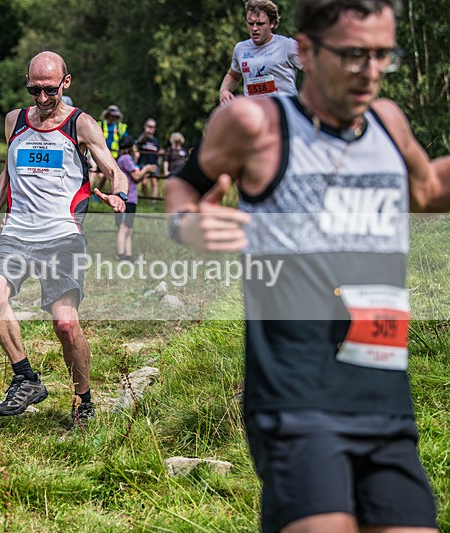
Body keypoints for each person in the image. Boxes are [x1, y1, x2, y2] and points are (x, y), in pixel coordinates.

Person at [167, 0, 446, 531]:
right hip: (296, 394)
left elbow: (427, 190)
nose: (370, 72)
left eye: (383, 55)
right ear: (309, 53)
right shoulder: (255, 123)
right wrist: (187, 223)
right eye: (353, 55)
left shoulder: (388, 122)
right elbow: (185, 184)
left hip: (384, 395)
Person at [0, 51, 129, 427]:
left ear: (66, 83)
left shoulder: (82, 124)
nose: (41, 99)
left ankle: (83, 400)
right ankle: (25, 378)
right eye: (34, 90)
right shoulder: (15, 121)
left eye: (49, 90)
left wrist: (116, 194)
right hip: (17, 232)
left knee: (64, 323)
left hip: (61, 236)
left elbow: (113, 169)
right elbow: (7, 171)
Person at [219, 0, 303, 105]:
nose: (254, 28)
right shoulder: (240, 49)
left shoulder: (287, 46)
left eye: (260, 24)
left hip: (284, 113)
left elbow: (314, 70)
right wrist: (224, 90)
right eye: (250, 23)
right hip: (254, 115)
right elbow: (233, 75)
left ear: (272, 23)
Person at [115, 134, 157, 262]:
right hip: (128, 198)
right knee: (124, 228)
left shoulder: (120, 159)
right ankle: (121, 255)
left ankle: (128, 255)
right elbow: (136, 177)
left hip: (126, 197)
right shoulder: (127, 158)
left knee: (128, 228)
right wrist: (146, 169)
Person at [92, 104, 128, 195]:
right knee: (102, 175)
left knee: (112, 175)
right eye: (111, 115)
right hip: (101, 154)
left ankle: (111, 194)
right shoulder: (100, 124)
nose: (112, 118)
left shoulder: (120, 127)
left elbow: (127, 139)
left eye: (114, 116)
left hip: (115, 155)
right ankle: (97, 194)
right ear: (107, 115)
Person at [135, 118, 161, 198]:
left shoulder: (156, 141)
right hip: (143, 163)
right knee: (144, 183)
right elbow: (137, 143)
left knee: (154, 183)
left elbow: (158, 153)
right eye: (149, 126)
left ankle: (153, 202)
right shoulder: (143, 138)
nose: (151, 129)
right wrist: (145, 133)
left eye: (153, 127)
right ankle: (146, 199)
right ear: (145, 126)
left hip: (154, 163)